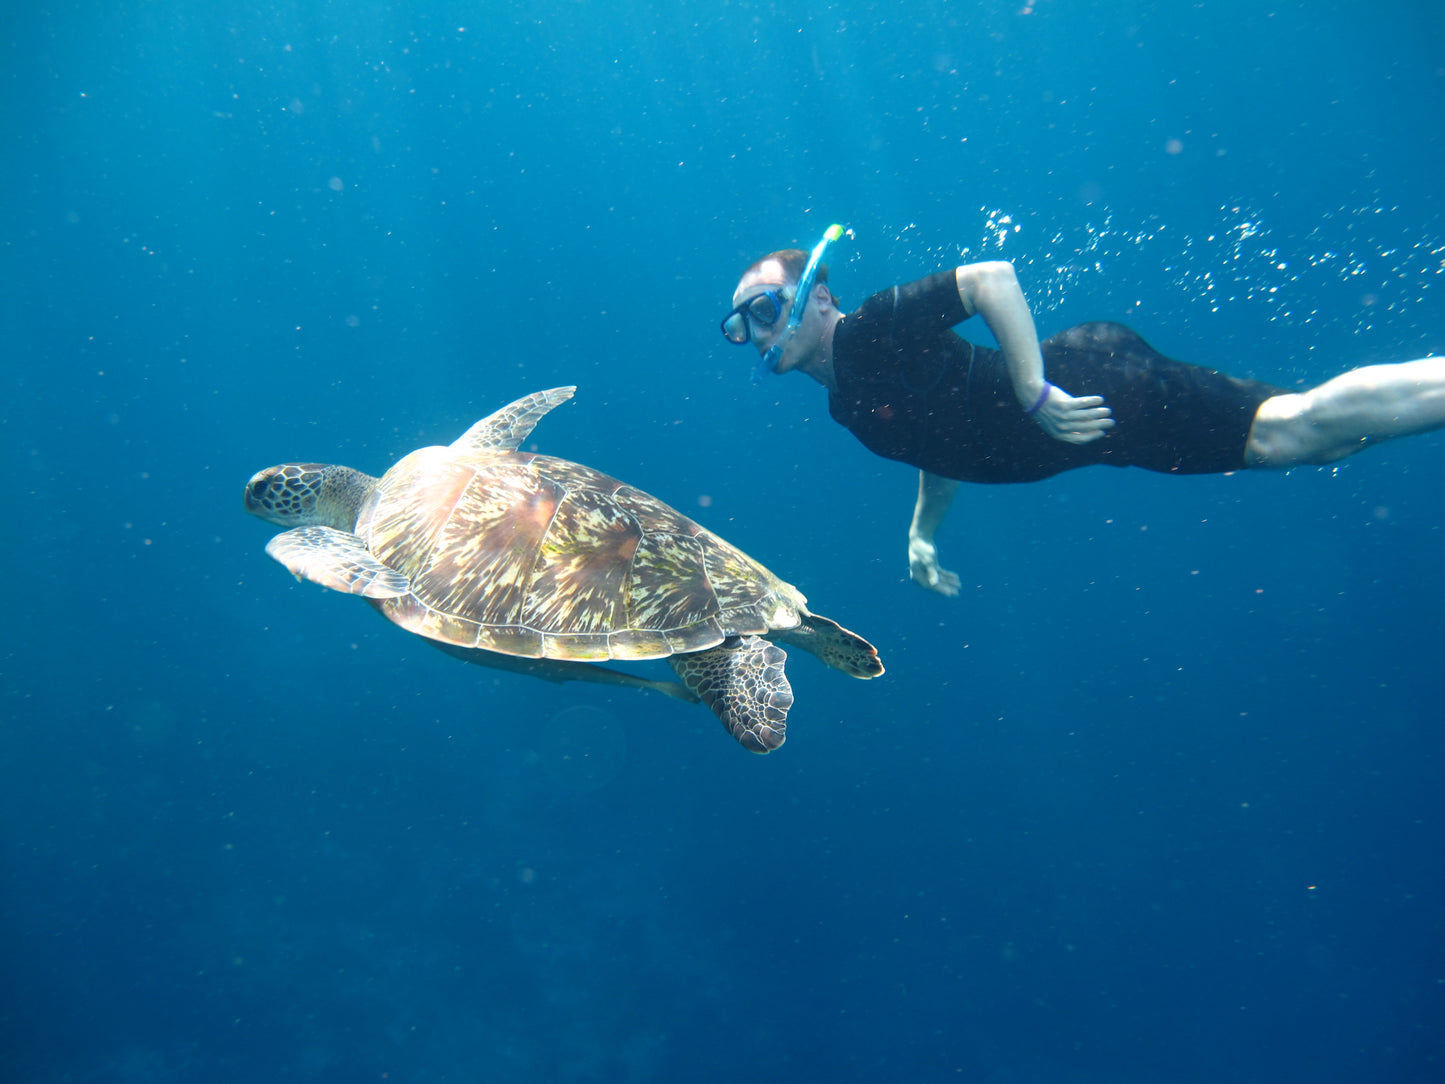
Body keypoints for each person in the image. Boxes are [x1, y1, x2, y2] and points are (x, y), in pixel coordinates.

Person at [721, 237, 1445, 595]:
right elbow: (933, 443)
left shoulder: (870, 327)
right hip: (1103, 431)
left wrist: (1034, 389)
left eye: (765, 310)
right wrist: (921, 533)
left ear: (819, 296)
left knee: (1294, 428)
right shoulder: (845, 399)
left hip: (1094, 392)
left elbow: (989, 279)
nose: (755, 332)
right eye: (739, 325)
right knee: (1315, 442)